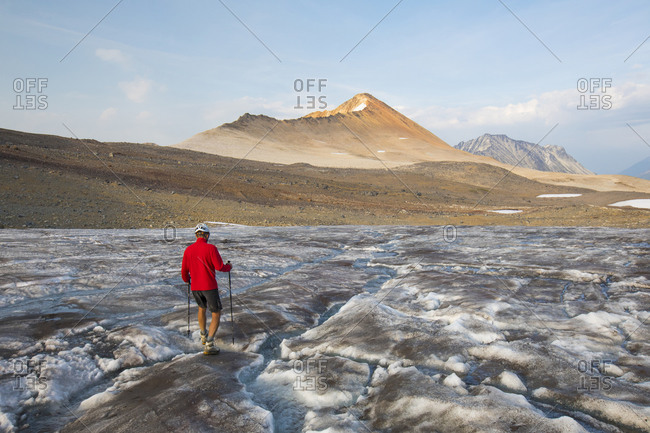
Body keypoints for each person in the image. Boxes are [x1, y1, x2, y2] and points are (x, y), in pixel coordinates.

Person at [181, 223, 232, 355]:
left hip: (195, 287)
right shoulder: (211, 248)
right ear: (207, 235)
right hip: (209, 287)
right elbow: (219, 266)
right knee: (216, 313)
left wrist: (187, 280)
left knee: (201, 308)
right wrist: (229, 267)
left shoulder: (188, 250)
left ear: (196, 235)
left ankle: (203, 335)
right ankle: (209, 344)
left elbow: (184, 272)